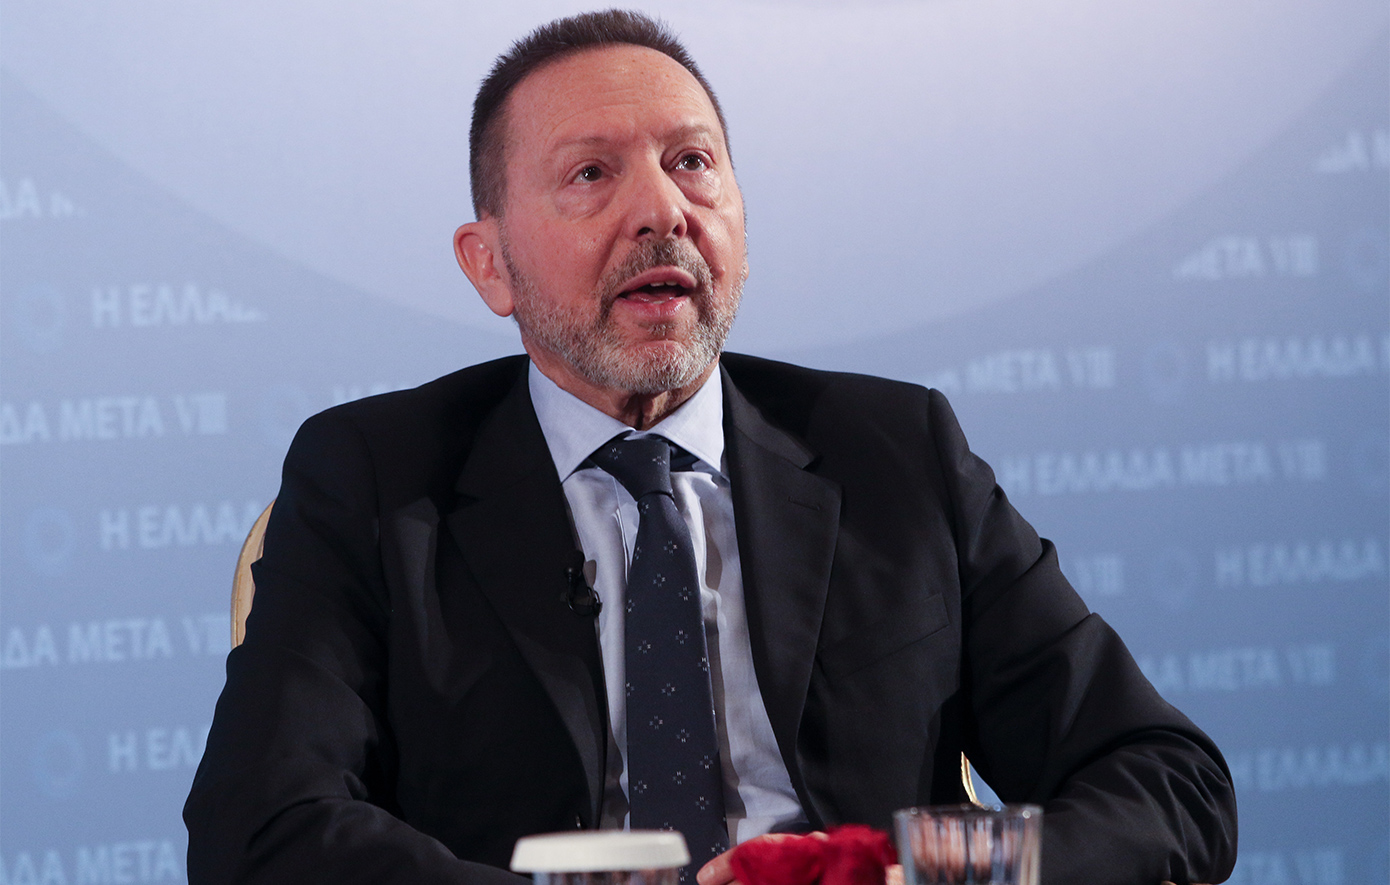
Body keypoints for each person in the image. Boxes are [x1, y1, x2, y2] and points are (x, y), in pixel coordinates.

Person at [183, 10, 1238, 885]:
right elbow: (260, 826)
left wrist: (910, 871)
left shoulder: (897, 454)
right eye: (590, 173)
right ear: (489, 263)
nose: (662, 211)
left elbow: (1167, 782)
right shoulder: (374, 478)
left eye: (692, 162)